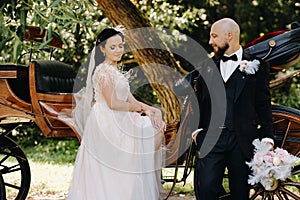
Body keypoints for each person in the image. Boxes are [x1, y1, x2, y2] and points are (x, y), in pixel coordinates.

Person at [67, 26, 166, 200]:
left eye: (120, 46)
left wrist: (150, 109)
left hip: (121, 116)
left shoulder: (115, 71)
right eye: (113, 47)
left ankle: (138, 176)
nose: (118, 50)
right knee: (145, 140)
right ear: (102, 48)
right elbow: (112, 103)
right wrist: (139, 110)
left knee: (155, 128)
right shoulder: (104, 71)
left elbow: (131, 100)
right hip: (108, 121)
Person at [192, 18, 274, 200]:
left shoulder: (258, 66)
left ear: (229, 35)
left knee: (240, 193)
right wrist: (197, 131)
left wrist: (268, 136)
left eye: (214, 36)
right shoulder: (205, 67)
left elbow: (263, 103)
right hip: (212, 139)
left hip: (242, 140)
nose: (210, 41)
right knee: (205, 189)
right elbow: (199, 102)